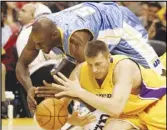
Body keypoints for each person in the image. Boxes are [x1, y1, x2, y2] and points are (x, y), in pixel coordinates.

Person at [16, 2, 164, 112]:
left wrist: (70, 94)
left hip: (120, 23)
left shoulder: (76, 40)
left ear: (54, 35)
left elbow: (93, 98)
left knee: (156, 76)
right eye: (37, 44)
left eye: (41, 44)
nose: (38, 47)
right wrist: (29, 88)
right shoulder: (39, 33)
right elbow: (21, 65)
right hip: (96, 26)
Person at [36, 40, 166, 130]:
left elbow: (115, 108)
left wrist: (80, 92)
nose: (94, 70)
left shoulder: (124, 67)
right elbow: (61, 106)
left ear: (109, 58)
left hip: (158, 102)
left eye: (98, 64)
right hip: (132, 112)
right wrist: (70, 120)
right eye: (90, 64)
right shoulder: (80, 72)